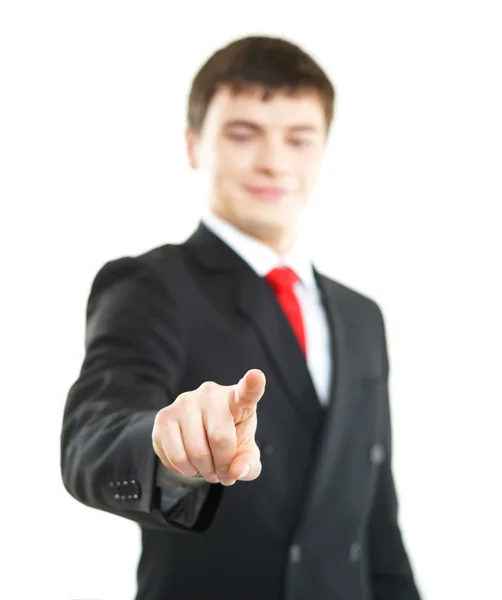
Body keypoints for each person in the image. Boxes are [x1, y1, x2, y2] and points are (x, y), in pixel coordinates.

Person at [60, 35, 421, 600]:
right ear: (193, 144)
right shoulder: (152, 285)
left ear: (323, 150)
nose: (274, 161)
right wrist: (166, 446)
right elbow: (91, 438)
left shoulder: (361, 317)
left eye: (299, 139)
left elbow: (375, 515)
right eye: (243, 134)